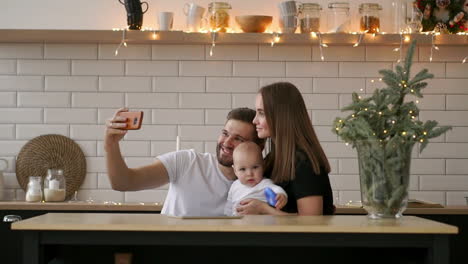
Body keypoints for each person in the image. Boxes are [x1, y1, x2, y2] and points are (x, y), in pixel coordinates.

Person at [104, 107, 263, 216]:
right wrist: (111, 144)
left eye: (238, 139)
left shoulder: (260, 185)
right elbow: (123, 182)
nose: (227, 142)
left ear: (257, 147)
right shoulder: (187, 162)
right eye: (225, 133)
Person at [236, 82, 335, 216]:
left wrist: (263, 209)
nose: (255, 120)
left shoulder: (304, 163)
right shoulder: (274, 158)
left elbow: (312, 223)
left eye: (261, 113)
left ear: (280, 116)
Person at [224, 142, 287, 216]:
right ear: (235, 171)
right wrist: (227, 218)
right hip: (238, 224)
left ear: (263, 166)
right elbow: (228, 206)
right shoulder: (234, 186)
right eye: (243, 169)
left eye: (255, 167)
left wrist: (281, 195)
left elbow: (276, 189)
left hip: (261, 223)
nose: (249, 174)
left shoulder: (265, 183)